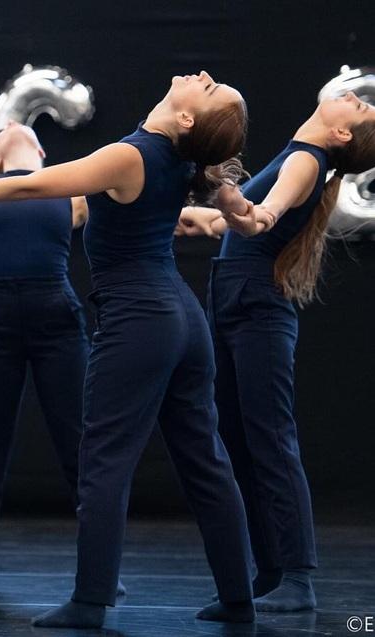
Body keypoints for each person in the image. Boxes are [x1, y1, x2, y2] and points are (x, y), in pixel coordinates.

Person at [0, 71, 257, 628]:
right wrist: (236, 209)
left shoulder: (132, 156)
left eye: (210, 89)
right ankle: (238, 597)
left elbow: (35, 185)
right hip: (182, 317)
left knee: (104, 462)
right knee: (205, 459)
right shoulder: (181, 160)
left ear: (187, 119)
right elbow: (214, 192)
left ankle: (89, 602)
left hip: (141, 319)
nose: (203, 76)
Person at [179, 91, 375, 612]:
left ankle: (297, 576)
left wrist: (229, 200)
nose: (355, 97)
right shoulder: (300, 153)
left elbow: (259, 218)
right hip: (233, 297)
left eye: (359, 109)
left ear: (341, 135)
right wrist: (200, 213)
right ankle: (268, 572)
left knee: (270, 439)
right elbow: (231, 224)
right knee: (239, 441)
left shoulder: (306, 160)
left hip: (257, 307)